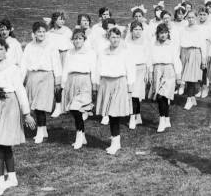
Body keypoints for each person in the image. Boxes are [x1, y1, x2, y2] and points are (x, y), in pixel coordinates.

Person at [0, 38, 36, 196]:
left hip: (9, 104)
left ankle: (0, 181)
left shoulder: (13, 68)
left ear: (6, 50)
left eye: (1, 49)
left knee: (0, 141)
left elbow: (20, 91)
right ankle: (12, 177)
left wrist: (26, 113)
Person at [95, 27, 135, 155]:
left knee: (114, 113)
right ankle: (115, 138)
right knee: (108, 113)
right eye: (113, 37)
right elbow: (98, 69)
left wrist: (130, 88)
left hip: (120, 83)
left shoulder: (125, 52)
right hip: (106, 83)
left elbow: (130, 70)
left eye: (118, 37)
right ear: (108, 38)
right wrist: (96, 85)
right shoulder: (102, 52)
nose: (115, 40)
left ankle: (116, 142)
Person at [21, 21, 62, 144]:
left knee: (40, 106)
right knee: (34, 105)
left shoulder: (51, 46)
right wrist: (21, 80)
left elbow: (57, 64)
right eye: (39, 31)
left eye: (44, 31)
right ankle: (44, 130)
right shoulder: (29, 46)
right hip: (33, 77)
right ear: (34, 33)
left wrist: (57, 81)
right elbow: (24, 64)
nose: (41, 34)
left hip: (46, 77)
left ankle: (39, 132)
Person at [62, 29, 97, 150]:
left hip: (84, 81)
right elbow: (66, 68)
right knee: (74, 111)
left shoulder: (90, 52)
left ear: (84, 40)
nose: (77, 41)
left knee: (76, 108)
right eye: (75, 38)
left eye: (80, 38)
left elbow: (94, 69)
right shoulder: (69, 52)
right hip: (72, 81)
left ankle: (79, 137)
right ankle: (82, 135)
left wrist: (94, 84)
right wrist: (63, 83)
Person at [149, 23, 182, 133]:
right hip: (157, 70)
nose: (163, 35)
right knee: (160, 96)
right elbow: (149, 59)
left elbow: (176, 60)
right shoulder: (153, 44)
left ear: (168, 33)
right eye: (161, 33)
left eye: (165, 33)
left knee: (162, 96)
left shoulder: (172, 45)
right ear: (157, 34)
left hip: (169, 70)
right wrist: (150, 72)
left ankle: (162, 120)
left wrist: (178, 75)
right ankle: (166, 118)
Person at [179, 11, 208, 110]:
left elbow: (203, 45)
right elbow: (180, 42)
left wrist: (203, 59)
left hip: (195, 53)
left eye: (192, 17)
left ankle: (189, 99)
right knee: (186, 77)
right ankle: (192, 97)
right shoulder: (183, 29)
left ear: (196, 18)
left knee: (191, 78)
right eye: (189, 18)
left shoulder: (200, 30)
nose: (190, 19)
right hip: (184, 53)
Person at [125, 20, 150, 129]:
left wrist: (148, 72)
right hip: (130, 70)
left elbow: (149, 58)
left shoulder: (146, 42)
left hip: (141, 69)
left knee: (136, 94)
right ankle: (134, 116)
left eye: (140, 29)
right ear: (131, 31)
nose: (138, 32)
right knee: (132, 94)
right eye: (135, 29)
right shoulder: (127, 42)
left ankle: (134, 116)